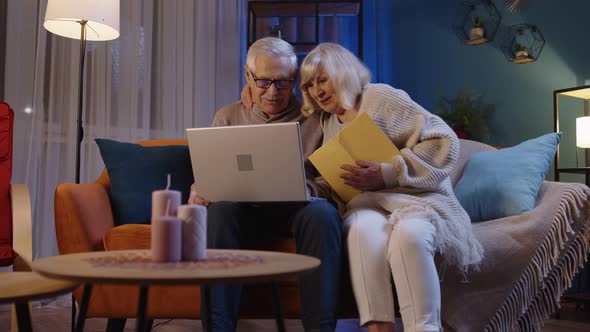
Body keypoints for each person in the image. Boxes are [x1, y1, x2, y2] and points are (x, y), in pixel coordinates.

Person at [297, 43, 484, 332]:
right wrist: (313, 190)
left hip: (416, 198)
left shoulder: (380, 98)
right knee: (361, 231)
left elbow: (444, 141)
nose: (316, 91)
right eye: (309, 85)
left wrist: (387, 173)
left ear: (343, 73)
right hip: (368, 204)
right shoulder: (328, 122)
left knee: (408, 237)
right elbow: (336, 179)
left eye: (322, 80)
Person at [189, 37, 343, 332]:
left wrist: (311, 189)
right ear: (248, 76)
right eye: (263, 82)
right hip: (241, 213)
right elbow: (208, 173)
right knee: (219, 212)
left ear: (295, 79)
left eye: (283, 82)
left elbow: (329, 181)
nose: (273, 92)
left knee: (323, 215)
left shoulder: (318, 118)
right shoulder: (228, 116)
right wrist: (200, 192)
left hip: (296, 211)